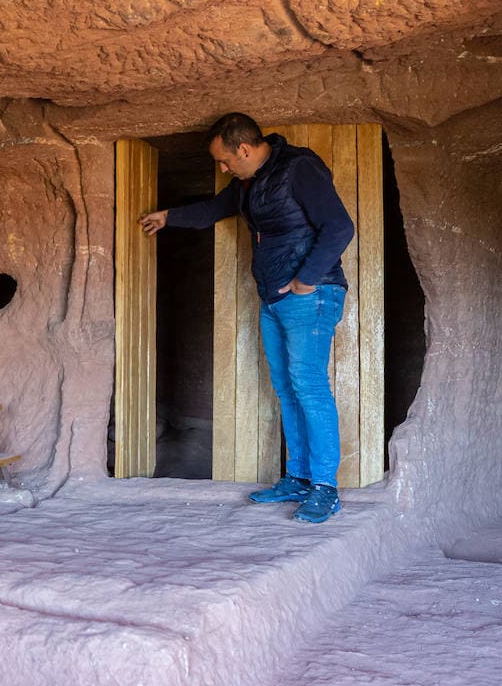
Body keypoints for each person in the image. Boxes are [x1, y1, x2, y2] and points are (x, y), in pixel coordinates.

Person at [140, 113, 354, 523]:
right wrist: (169, 216)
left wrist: (306, 280)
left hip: (310, 294)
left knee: (309, 387)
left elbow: (339, 227)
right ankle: (298, 478)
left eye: (224, 160)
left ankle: (326, 488)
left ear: (244, 148)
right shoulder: (248, 183)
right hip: (274, 297)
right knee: (288, 390)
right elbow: (215, 208)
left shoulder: (299, 167)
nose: (222, 168)